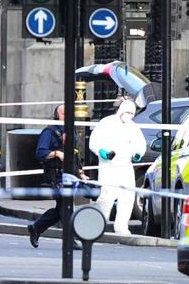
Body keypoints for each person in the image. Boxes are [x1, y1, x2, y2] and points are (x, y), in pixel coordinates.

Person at [27, 105, 87, 250]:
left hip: (69, 174)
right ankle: (69, 240)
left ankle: (36, 228)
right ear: (57, 114)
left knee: (61, 208)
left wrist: (81, 172)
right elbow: (40, 153)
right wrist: (56, 154)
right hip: (55, 174)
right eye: (63, 113)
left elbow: (75, 154)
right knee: (66, 206)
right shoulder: (49, 132)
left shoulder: (71, 130)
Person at [89, 99, 146, 235]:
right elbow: (94, 141)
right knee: (106, 196)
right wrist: (102, 152)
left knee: (127, 197)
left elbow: (140, 144)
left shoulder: (133, 127)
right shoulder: (106, 123)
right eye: (127, 112)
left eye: (132, 113)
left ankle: (121, 227)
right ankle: (98, 224)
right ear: (121, 110)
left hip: (125, 167)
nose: (129, 115)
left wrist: (137, 154)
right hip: (108, 166)